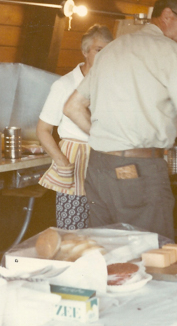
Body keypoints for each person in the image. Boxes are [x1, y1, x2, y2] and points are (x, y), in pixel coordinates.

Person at [63, 0, 177, 240]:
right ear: (167, 15)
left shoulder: (112, 49)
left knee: (107, 255)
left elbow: (73, 107)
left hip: (98, 169)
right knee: (151, 257)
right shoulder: (169, 51)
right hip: (138, 172)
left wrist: (111, 140)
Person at [37, 24, 113, 230]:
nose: (105, 55)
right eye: (99, 50)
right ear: (85, 52)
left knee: (104, 229)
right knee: (73, 230)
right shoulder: (64, 85)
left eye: (109, 50)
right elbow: (43, 130)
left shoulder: (112, 84)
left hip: (105, 157)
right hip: (75, 159)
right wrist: (62, 163)